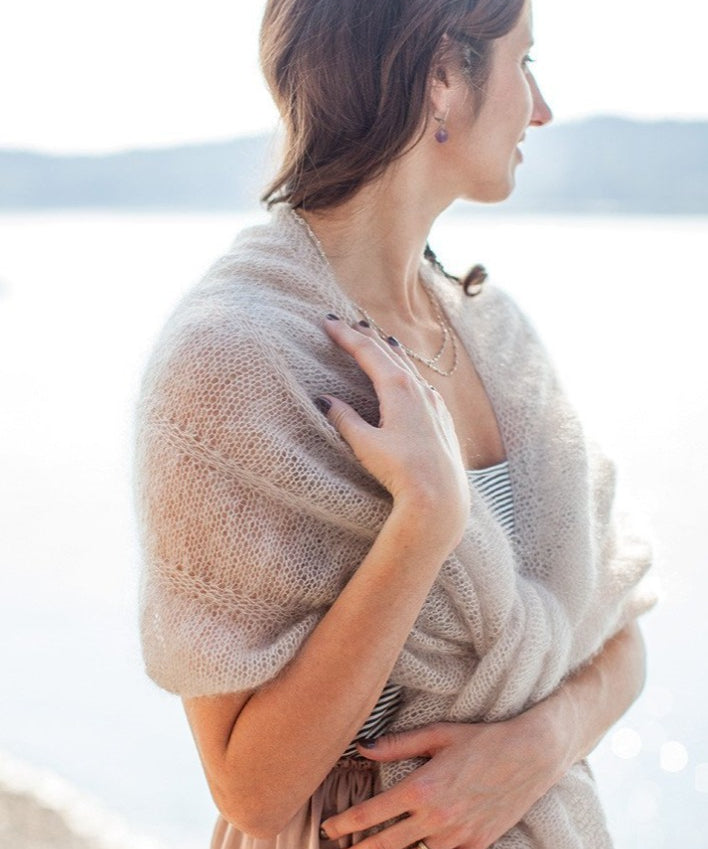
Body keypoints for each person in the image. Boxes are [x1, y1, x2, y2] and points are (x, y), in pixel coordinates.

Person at [134, 1, 655, 847]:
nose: (543, 108)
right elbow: (249, 789)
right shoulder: (231, 361)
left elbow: (619, 630)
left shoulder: (495, 334)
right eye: (525, 62)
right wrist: (424, 524)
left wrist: (539, 743)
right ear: (442, 75)